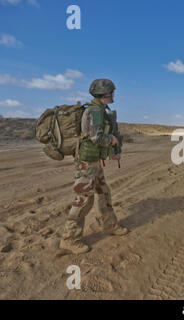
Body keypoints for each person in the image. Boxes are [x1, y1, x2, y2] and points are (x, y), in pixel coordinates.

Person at [59, 79, 129, 254]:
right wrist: (111, 140)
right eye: (111, 92)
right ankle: (69, 239)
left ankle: (110, 225)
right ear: (105, 94)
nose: (113, 95)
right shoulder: (95, 111)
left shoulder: (99, 110)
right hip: (87, 163)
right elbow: (95, 137)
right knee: (83, 200)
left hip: (94, 163)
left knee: (104, 193)